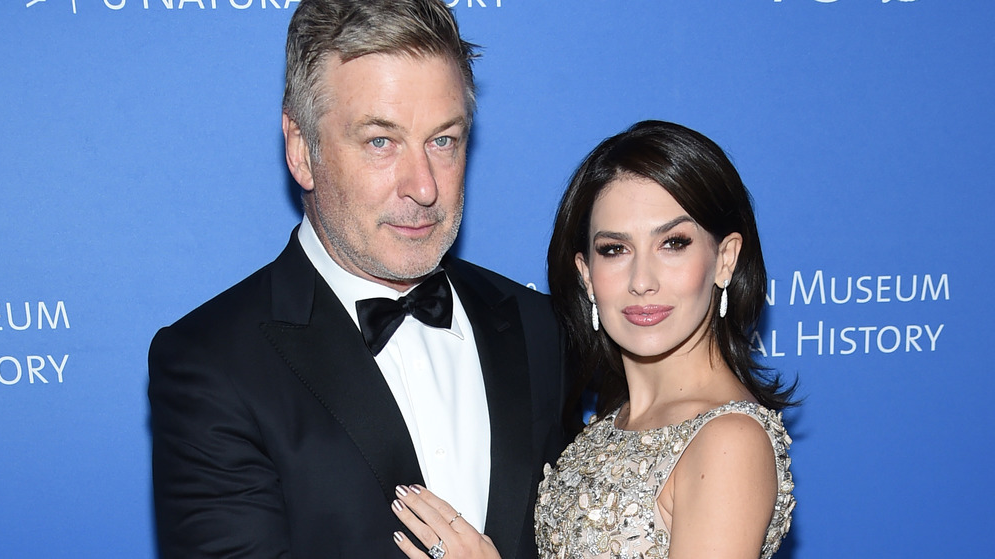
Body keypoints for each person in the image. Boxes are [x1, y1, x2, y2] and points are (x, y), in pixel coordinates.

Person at [147, 1, 565, 557]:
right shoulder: (211, 362)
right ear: (302, 149)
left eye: (443, 140)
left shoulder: (537, 325)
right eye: (380, 142)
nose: (423, 187)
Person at [391, 120, 796, 559]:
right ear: (586, 276)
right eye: (615, 250)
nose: (642, 281)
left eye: (673, 243)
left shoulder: (728, 441)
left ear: (725, 260)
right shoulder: (609, 422)